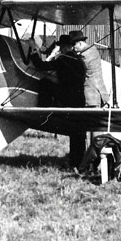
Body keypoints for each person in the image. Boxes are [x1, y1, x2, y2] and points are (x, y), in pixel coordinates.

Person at [30, 33, 87, 167]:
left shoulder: (63, 59)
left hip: (67, 97)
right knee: (77, 133)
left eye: (61, 46)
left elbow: (41, 66)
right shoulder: (79, 60)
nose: (60, 49)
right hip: (79, 99)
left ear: (65, 47)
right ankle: (77, 161)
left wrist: (34, 50)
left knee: (44, 83)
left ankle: (44, 111)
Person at [71, 31, 110, 107]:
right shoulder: (93, 49)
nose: (73, 48)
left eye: (74, 44)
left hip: (91, 93)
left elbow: (79, 70)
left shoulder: (84, 55)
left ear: (80, 43)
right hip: (100, 90)